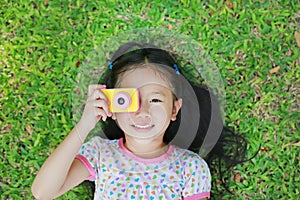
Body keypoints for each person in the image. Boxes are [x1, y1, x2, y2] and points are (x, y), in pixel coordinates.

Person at [32, 42, 248, 199]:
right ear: (112, 106)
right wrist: (85, 124)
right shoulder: (99, 154)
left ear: (174, 109)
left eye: (155, 99)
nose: (142, 111)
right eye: (128, 100)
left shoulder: (191, 167)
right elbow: (42, 192)